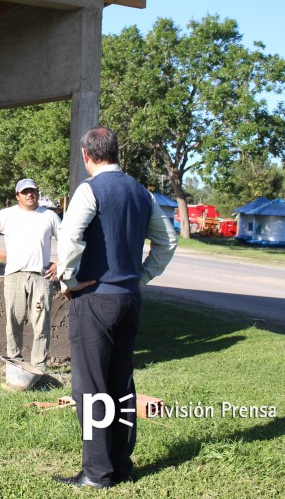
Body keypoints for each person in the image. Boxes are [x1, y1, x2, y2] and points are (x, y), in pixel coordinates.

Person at [54, 127, 177, 489]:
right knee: (121, 383)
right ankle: (121, 465)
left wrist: (69, 282)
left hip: (95, 300)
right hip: (129, 299)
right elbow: (167, 241)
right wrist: (140, 277)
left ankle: (96, 473)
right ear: (116, 152)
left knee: (90, 388)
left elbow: (70, 236)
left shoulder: (89, 189)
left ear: (86, 155)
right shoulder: (142, 192)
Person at [0, 178, 62, 372]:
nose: (30, 194)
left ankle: (39, 365)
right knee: (13, 322)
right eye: (25, 192)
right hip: (14, 276)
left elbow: (68, 241)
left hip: (41, 277)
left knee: (41, 323)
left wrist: (60, 264)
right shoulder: (7, 215)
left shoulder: (49, 216)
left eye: (33, 191)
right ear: (18, 196)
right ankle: (14, 362)